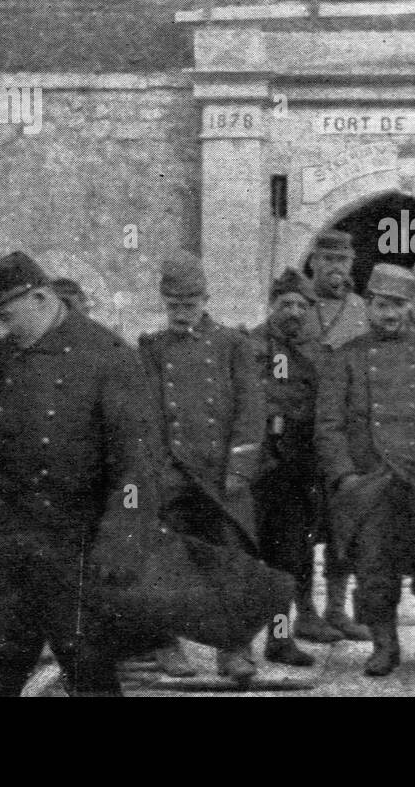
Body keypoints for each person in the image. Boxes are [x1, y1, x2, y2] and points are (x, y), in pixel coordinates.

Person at [0, 251, 156, 696]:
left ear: (43, 299)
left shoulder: (110, 358)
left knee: (91, 677)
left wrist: (122, 549)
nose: (0, 330)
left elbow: (135, 468)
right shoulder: (0, 354)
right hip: (13, 544)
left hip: (79, 549)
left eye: (6, 317)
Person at [315, 263, 415, 676]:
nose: (390, 314)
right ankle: (384, 647)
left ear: (409, 307)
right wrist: (346, 478)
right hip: (371, 481)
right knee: (374, 568)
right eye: (382, 305)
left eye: (399, 305)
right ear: (368, 305)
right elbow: (328, 427)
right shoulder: (345, 357)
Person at [137, 251, 266, 685]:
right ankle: (166, 642)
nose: (180, 314)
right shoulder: (152, 348)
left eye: (188, 305)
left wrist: (240, 470)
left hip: (222, 476)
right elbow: (150, 413)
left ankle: (235, 651)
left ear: (205, 300)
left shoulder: (234, 344)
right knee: (166, 560)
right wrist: (155, 471)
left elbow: (250, 410)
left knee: (231, 561)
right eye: (172, 306)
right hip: (174, 475)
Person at [296, 228, 371, 642]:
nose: (334, 268)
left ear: (351, 264)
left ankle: (338, 610)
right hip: (299, 438)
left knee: (345, 526)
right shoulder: (296, 306)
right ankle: (305, 611)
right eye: (326, 260)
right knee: (303, 530)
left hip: (345, 438)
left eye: (341, 261)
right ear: (313, 263)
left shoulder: (362, 311)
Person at [247, 268, 324, 666]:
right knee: (246, 561)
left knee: (287, 561)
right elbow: (270, 399)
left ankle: (279, 640)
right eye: (286, 303)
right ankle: (237, 644)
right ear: (272, 305)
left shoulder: (311, 349)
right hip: (258, 471)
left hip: (296, 471)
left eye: (301, 305)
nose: (294, 311)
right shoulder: (256, 346)